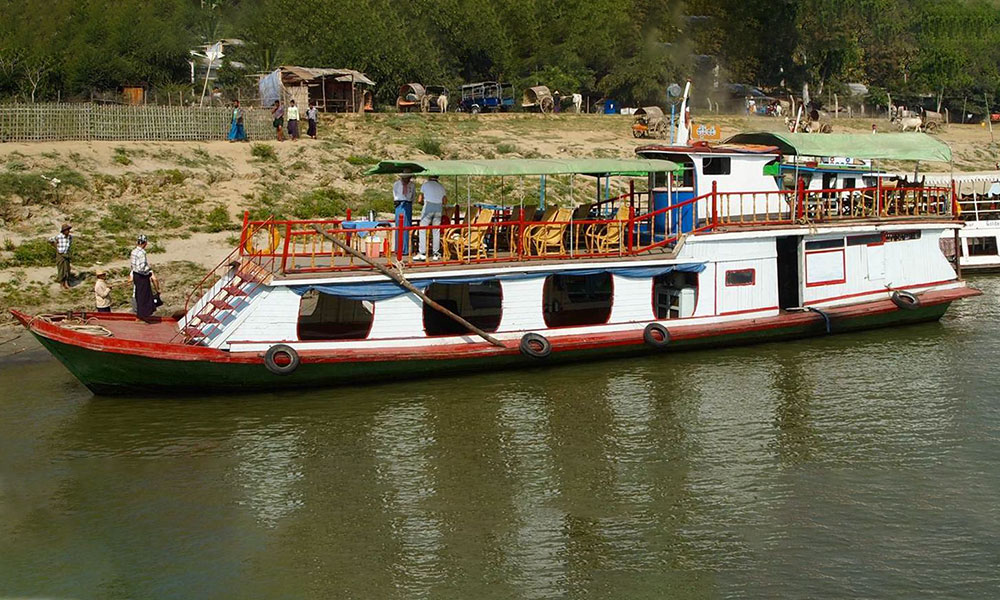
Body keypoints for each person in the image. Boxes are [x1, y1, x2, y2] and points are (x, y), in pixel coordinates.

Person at [414, 175, 448, 261]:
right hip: (438, 208)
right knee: (436, 230)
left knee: (422, 229)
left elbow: (419, 199)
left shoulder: (425, 185)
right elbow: (444, 201)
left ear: (429, 177)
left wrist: (422, 204)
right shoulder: (441, 187)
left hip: (428, 206)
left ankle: (422, 252)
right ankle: (436, 253)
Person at [130, 235, 158, 320]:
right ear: (145, 243)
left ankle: (140, 314)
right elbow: (141, 267)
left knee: (139, 295)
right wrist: (148, 270)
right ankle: (143, 315)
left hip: (136, 275)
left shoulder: (133, 251)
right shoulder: (142, 253)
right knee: (144, 296)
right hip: (142, 276)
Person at [393, 170, 416, 254]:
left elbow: (413, 196)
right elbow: (395, 194)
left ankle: (406, 248)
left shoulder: (412, 185)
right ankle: (399, 248)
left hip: (408, 204)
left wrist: (410, 203)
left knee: (407, 226)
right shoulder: (396, 184)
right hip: (399, 204)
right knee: (399, 225)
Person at [48, 223, 73, 289]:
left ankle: (66, 282)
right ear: (64, 231)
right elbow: (50, 240)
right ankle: (61, 283)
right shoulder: (59, 236)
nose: (68, 231)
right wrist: (56, 246)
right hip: (60, 254)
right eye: (67, 230)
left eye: (68, 230)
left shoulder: (70, 237)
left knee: (67, 269)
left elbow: (69, 245)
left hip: (66, 254)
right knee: (61, 268)